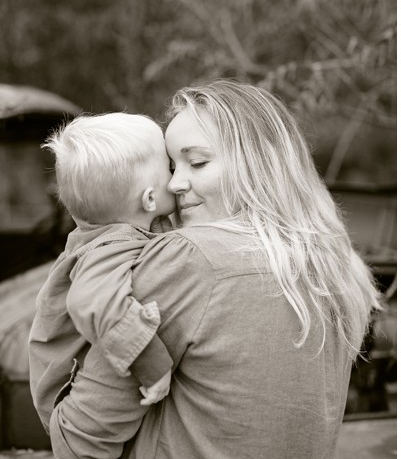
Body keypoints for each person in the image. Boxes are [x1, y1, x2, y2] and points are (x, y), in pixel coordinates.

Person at [44, 80, 382, 458]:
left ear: (257, 165)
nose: (175, 183)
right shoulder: (334, 268)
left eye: (198, 162)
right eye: (172, 166)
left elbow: (82, 438)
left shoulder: (189, 259)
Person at [29, 113, 177, 432]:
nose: (177, 179)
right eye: (171, 168)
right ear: (150, 199)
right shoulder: (111, 243)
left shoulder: (117, 229)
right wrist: (152, 364)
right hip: (69, 398)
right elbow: (90, 299)